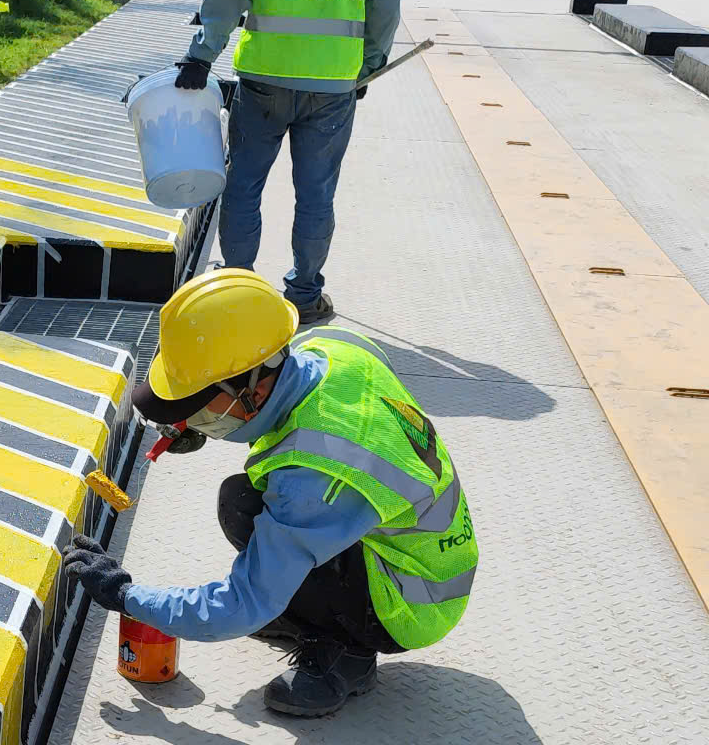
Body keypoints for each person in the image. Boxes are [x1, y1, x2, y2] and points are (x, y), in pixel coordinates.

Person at [62, 269, 474, 718]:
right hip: (416, 548)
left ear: (254, 388)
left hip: (415, 603)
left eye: (196, 405)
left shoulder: (315, 474)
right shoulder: (333, 347)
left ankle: (346, 652)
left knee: (259, 533)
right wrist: (196, 421)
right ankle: (303, 606)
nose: (191, 417)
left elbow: (242, 605)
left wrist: (126, 596)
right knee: (242, 500)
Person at [173, 0, 400, 326]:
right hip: (334, 86)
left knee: (244, 185)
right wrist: (368, 65)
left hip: (264, 79)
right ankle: (303, 295)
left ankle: (239, 290)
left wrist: (202, 53)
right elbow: (386, 0)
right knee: (316, 194)